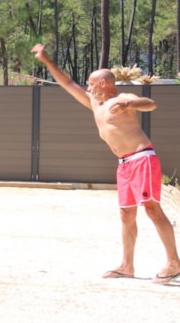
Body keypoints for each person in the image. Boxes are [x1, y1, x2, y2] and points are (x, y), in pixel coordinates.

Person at [32, 43, 180, 284]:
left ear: (103, 83)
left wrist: (131, 105)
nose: (88, 87)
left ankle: (174, 262)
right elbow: (67, 83)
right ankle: (127, 266)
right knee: (126, 214)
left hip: (142, 158)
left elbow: (149, 103)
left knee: (152, 209)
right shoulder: (94, 103)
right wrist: (47, 60)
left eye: (91, 83)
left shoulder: (122, 99)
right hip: (124, 164)